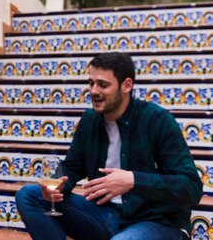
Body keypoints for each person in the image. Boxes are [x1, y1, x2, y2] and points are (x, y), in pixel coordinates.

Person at [15, 51, 202, 240]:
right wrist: (56, 188)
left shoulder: (157, 120)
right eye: (91, 83)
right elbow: (71, 168)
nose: (93, 91)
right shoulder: (90, 120)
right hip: (103, 215)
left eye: (103, 85)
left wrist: (133, 180)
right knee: (28, 196)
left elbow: (191, 187)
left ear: (126, 85)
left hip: (156, 222)